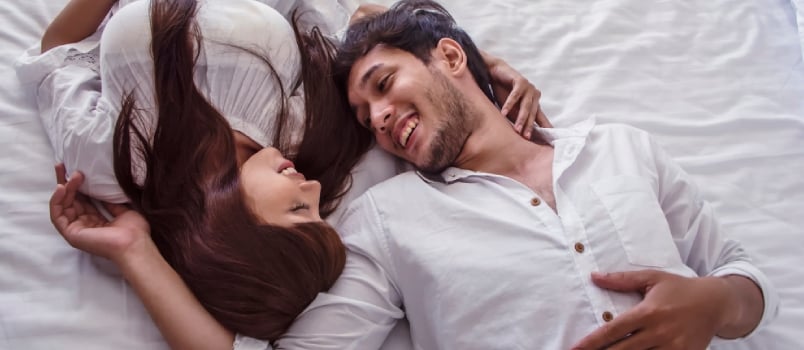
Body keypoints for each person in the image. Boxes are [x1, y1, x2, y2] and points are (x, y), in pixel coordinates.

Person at [268, 0, 779, 349]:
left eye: (383, 84)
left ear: (450, 56)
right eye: (365, 119)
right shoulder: (385, 219)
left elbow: (744, 275)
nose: (378, 119)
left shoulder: (620, 148)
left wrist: (714, 303)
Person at [35, 0, 546, 347]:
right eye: (317, 208)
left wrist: (134, 250)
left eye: (301, 208)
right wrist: (471, 63)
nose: (316, 188)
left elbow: (56, 49)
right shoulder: (315, 128)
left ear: (240, 228)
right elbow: (373, 29)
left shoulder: (114, 162)